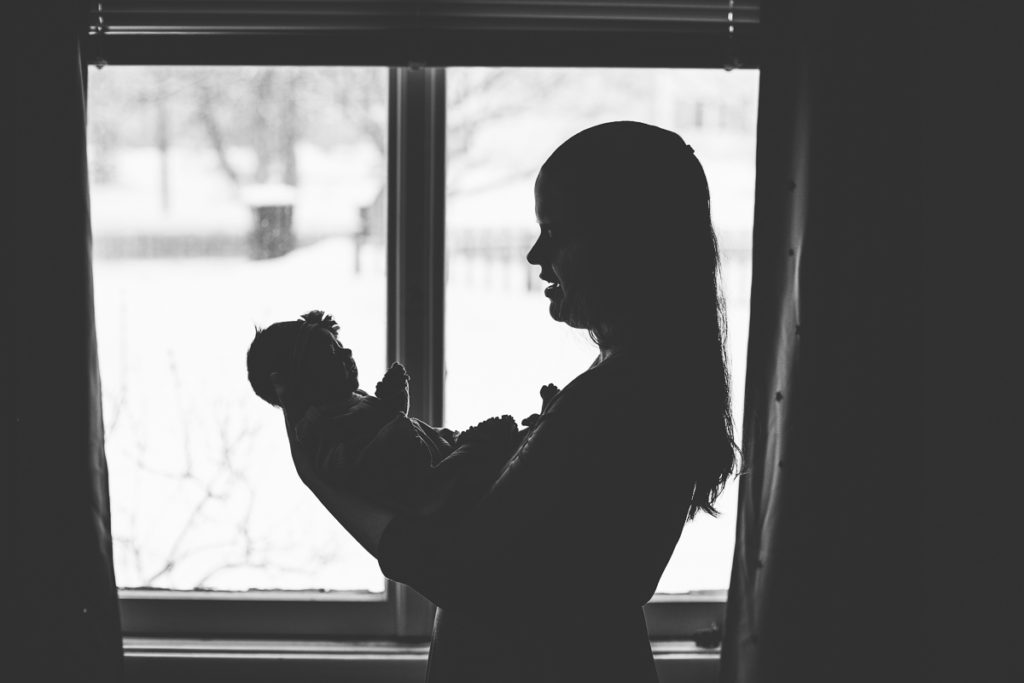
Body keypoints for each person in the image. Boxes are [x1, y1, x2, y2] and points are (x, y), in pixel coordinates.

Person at [272, 121, 738, 682]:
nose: (535, 254)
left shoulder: (620, 400)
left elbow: (467, 573)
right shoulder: (635, 382)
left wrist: (325, 481)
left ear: (623, 243)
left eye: (556, 231)